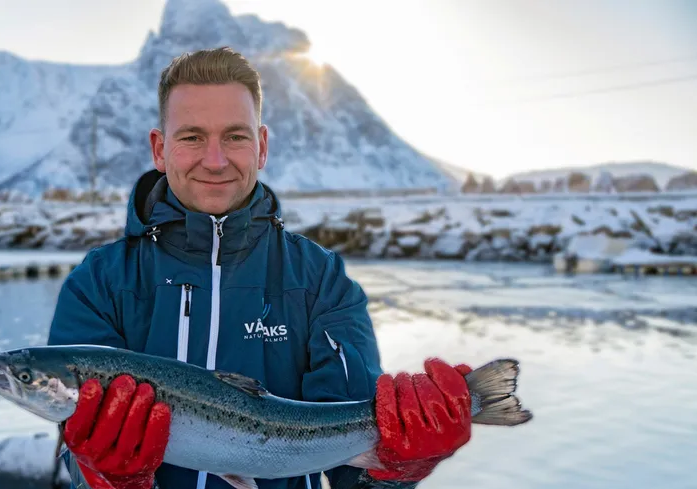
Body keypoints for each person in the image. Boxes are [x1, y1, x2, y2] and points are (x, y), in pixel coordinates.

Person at [47, 47, 474, 489]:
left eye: (235, 136)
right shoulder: (97, 284)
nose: (215, 161)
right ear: (160, 148)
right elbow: (76, 452)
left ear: (262, 146)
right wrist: (106, 478)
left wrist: (394, 469)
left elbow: (354, 470)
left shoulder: (320, 281)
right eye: (192, 137)